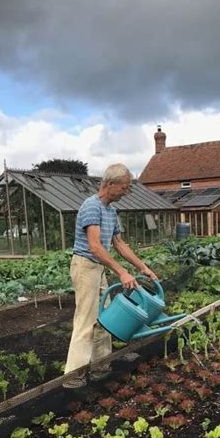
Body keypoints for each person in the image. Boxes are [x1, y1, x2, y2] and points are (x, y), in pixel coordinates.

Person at [63, 163, 158, 388]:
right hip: (86, 265)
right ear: (110, 184)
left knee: (104, 317)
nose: (126, 192)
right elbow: (95, 246)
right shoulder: (91, 206)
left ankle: (100, 366)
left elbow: (119, 244)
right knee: (86, 319)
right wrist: (122, 271)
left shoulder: (111, 210)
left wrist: (142, 267)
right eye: (124, 187)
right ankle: (73, 376)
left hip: (98, 267)